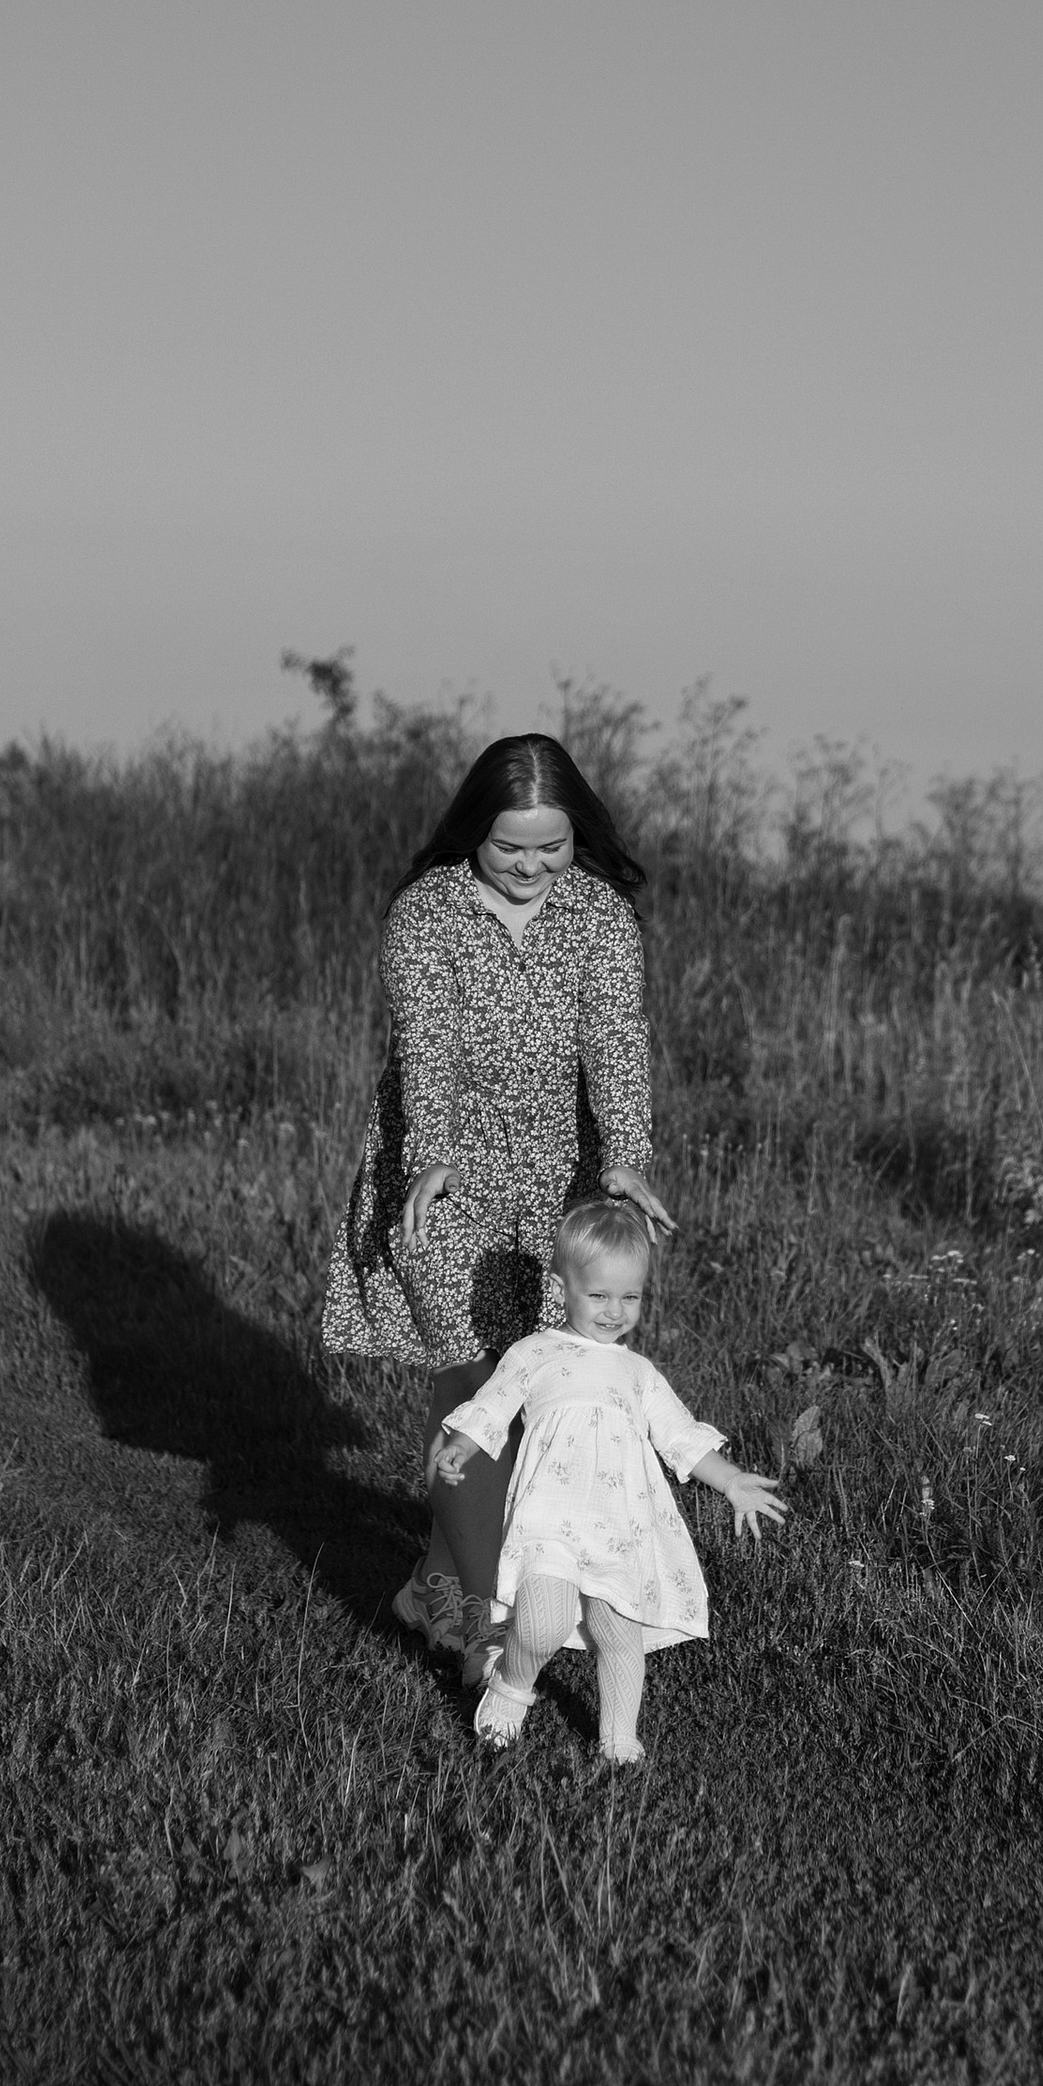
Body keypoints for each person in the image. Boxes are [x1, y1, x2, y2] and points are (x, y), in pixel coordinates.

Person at [320, 732, 674, 1666]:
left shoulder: (600, 915)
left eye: (550, 846)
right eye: (509, 846)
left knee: (540, 1393)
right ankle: (490, 1623)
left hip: (565, 1173)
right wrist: (430, 1154)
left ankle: (428, 1588)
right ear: (474, 829)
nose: (529, 866)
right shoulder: (426, 915)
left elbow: (614, 1036)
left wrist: (628, 1156)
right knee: (476, 1390)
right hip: (443, 1175)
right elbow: (425, 1045)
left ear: (576, 835)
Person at [433, 1195, 786, 1761]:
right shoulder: (534, 1353)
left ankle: (618, 1737)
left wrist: (731, 1480)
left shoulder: (637, 1371)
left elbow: (679, 1435)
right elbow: (492, 1404)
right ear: (559, 1291)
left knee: (618, 1632)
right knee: (543, 1620)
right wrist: (460, 1447)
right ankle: (512, 1684)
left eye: (630, 1296)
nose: (614, 1310)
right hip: (550, 1513)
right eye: (598, 1295)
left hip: (624, 1522)